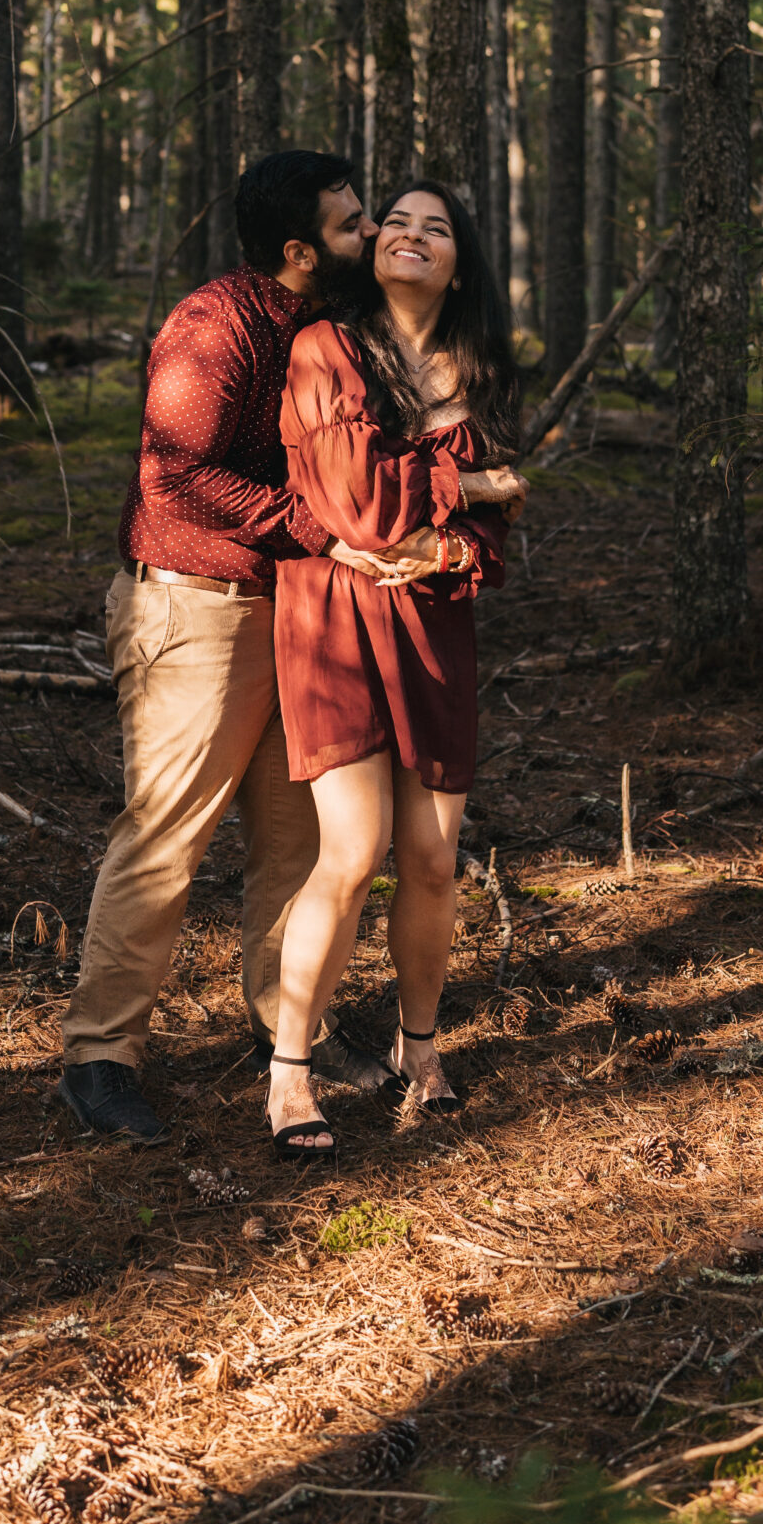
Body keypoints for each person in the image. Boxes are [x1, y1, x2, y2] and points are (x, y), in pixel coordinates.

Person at [58, 151, 429, 1146]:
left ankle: (284, 1027)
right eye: (354, 224)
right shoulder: (214, 325)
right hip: (197, 611)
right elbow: (176, 477)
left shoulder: (330, 324)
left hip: (294, 611)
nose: (373, 232)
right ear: (300, 249)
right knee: (167, 833)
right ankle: (100, 1057)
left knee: (297, 838)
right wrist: (315, 526)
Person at [263, 182, 528, 1157]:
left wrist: (453, 544)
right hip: (335, 618)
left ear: (461, 260)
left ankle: (422, 1051)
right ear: (372, 250)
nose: (413, 235)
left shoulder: (479, 365)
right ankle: (290, 1070)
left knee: (431, 858)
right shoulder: (326, 349)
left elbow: (490, 541)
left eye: (439, 227)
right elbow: (362, 508)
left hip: (434, 625)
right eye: (397, 222)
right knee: (354, 848)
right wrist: (467, 482)